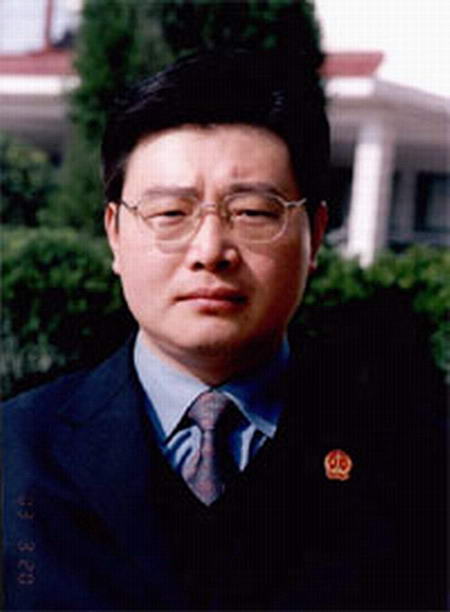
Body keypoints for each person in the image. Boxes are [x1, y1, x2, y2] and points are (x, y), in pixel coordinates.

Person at [3, 49, 446, 610]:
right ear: (115, 233)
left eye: (254, 212)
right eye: (171, 213)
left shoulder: (419, 456)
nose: (210, 251)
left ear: (314, 234)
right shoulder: (15, 452)